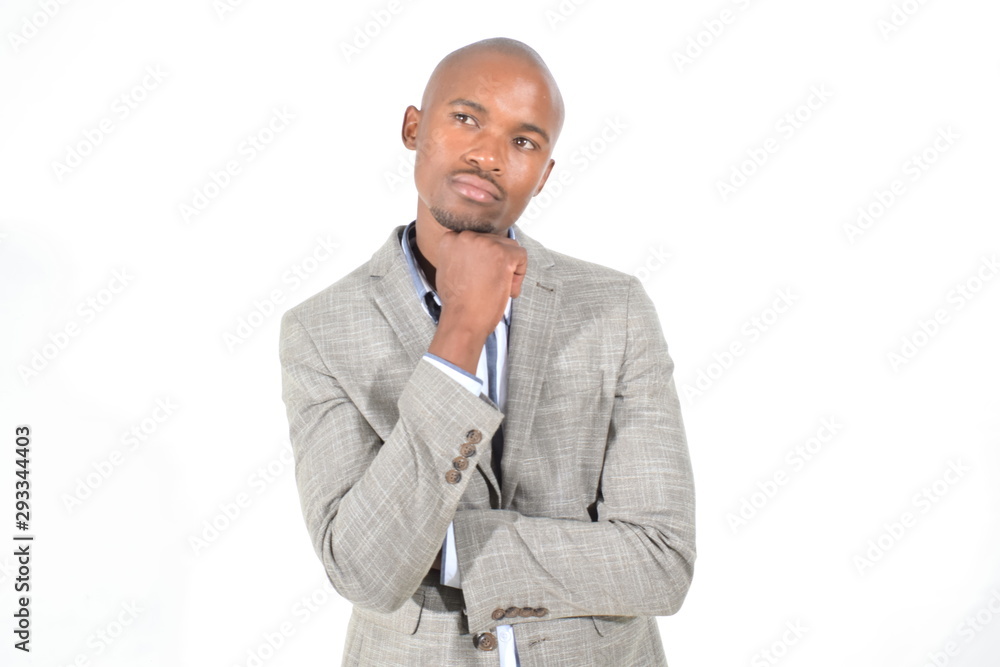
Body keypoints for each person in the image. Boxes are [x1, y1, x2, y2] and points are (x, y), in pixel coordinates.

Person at [278, 37, 696, 666]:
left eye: (524, 142)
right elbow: (363, 573)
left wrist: (443, 550)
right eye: (466, 118)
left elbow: (662, 562)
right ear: (414, 128)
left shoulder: (616, 310)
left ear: (545, 172)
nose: (489, 155)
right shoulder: (320, 331)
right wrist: (459, 337)